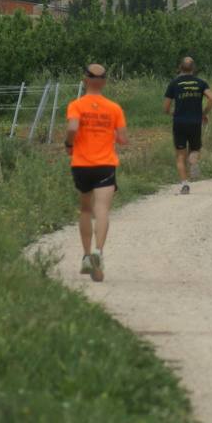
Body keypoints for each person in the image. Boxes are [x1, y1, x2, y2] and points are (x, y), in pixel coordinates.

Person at [65, 63, 129, 283]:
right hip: (105, 164)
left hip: (81, 164)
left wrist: (69, 144)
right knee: (101, 209)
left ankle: (85, 256)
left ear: (85, 80)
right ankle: (98, 252)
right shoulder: (114, 108)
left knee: (85, 209)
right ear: (104, 82)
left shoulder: (76, 105)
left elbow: (72, 128)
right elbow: (123, 139)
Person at [164, 56, 212, 195]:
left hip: (179, 122)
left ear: (180, 67)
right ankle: (193, 161)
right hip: (195, 122)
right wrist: (204, 113)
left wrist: (171, 113)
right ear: (193, 68)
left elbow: (166, 107)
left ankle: (185, 185)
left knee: (180, 156)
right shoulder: (201, 82)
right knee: (195, 149)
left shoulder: (174, 83)